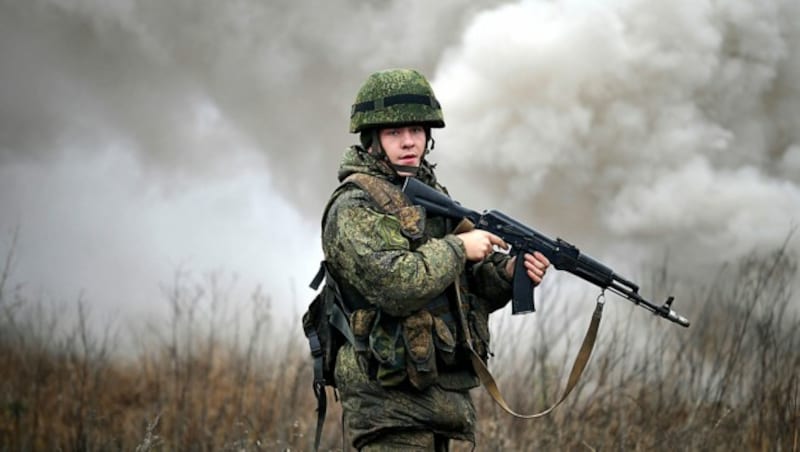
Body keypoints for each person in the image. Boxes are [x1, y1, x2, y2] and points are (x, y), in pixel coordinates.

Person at [320, 68, 551, 451]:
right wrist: (460, 247)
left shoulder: (428, 194)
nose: (409, 142)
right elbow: (397, 285)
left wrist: (509, 274)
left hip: (440, 400)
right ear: (373, 139)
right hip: (388, 404)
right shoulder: (353, 205)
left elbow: (462, 287)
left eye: (417, 131)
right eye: (395, 133)